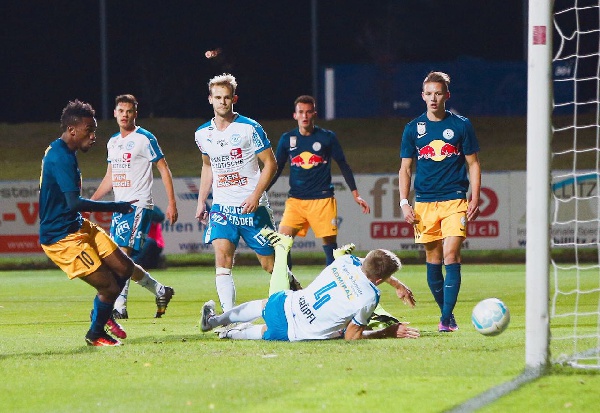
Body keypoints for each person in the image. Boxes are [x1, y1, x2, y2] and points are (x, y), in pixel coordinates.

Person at [39, 100, 171, 346]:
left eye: (95, 131)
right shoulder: (60, 158)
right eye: (89, 130)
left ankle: (101, 313)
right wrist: (116, 206)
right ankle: (95, 333)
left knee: (125, 268)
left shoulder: (65, 151)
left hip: (77, 226)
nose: (93, 136)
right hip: (61, 238)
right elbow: (74, 204)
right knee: (109, 287)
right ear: (72, 130)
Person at [194, 73, 300, 314]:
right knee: (222, 262)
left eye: (227, 97)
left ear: (234, 99)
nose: (222, 102)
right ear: (210, 99)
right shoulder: (202, 134)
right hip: (222, 209)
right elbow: (208, 165)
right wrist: (202, 200)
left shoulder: (249, 128)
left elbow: (270, 164)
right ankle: (228, 317)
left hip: (253, 209)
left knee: (270, 265)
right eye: (218, 97)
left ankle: (296, 291)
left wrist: (255, 196)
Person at [200, 228, 420, 341]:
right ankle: (230, 334)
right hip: (294, 331)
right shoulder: (370, 297)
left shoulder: (345, 260)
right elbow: (351, 337)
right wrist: (387, 332)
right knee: (264, 330)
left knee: (263, 305)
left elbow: (369, 265)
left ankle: (215, 321)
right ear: (380, 281)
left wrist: (397, 284)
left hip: (286, 303)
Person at [398, 71, 481, 332]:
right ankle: (448, 314)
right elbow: (405, 169)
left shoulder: (461, 125)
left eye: (438, 93)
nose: (434, 98)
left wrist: (475, 196)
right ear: (423, 96)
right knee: (433, 259)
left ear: (447, 95)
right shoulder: (413, 129)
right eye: (429, 94)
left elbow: (473, 163)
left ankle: (445, 320)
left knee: (451, 254)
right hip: (424, 203)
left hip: (455, 200)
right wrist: (403, 202)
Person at [91, 94, 177, 319]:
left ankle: (120, 307)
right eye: (121, 111)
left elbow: (163, 168)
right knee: (119, 259)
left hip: (138, 205)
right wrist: (92, 200)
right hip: (120, 207)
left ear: (135, 114)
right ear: (115, 113)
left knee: (121, 255)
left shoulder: (145, 138)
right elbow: (110, 177)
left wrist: (172, 203)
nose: (125, 115)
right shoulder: (113, 142)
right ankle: (160, 290)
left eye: (129, 111)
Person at [267, 95, 370, 267]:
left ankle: (334, 286)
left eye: (308, 112)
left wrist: (356, 194)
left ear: (314, 114)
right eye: (301, 112)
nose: (305, 116)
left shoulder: (327, 137)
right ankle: (289, 287)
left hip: (322, 201)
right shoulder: (287, 139)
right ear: (295, 115)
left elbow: (343, 165)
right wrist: (261, 192)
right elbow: (275, 170)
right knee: (281, 245)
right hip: (296, 201)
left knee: (331, 249)